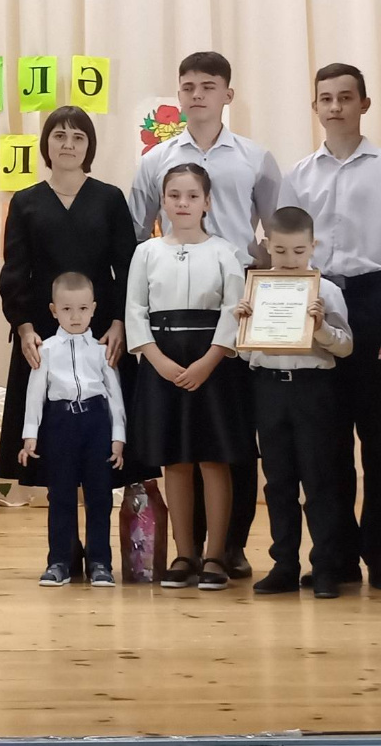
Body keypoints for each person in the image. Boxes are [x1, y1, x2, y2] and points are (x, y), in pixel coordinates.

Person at [129, 51, 281, 579]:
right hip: (170, 322)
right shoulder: (156, 160)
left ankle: (228, 547)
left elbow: (275, 233)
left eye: (208, 86)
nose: (197, 95)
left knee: (229, 441)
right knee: (178, 449)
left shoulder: (255, 158)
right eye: (188, 86)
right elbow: (137, 229)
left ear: (227, 94)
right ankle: (187, 548)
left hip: (234, 310)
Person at [279, 63, 381, 590]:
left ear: (364, 103)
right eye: (326, 98)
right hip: (318, 305)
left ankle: (379, 553)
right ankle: (333, 557)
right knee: (325, 442)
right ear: (314, 106)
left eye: (345, 97)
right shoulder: (298, 175)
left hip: (374, 301)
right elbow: (284, 252)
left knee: (380, 440)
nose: (335, 107)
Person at [0, 106, 139, 490]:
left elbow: (128, 268)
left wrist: (120, 323)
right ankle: (62, 526)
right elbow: (14, 272)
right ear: (46, 143)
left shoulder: (110, 199)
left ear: (89, 146)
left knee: (103, 438)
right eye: (60, 135)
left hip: (102, 331)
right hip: (43, 333)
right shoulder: (25, 202)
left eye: (78, 137)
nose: (68, 144)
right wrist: (24, 328)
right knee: (51, 446)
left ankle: (98, 527)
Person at [124, 163, 249, 591]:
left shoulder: (225, 252)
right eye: (174, 195)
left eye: (192, 196)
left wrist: (210, 360)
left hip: (211, 364)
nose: (183, 203)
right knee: (175, 460)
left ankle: (215, 554)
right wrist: (155, 359)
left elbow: (234, 310)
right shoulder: (146, 252)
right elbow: (135, 310)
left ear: (207, 202)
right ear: (162, 200)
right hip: (163, 363)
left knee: (214, 458)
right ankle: (185, 552)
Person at [235, 207, 355, 599]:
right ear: (267, 245)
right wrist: (242, 324)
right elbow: (244, 353)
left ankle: (326, 568)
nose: (290, 260)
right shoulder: (255, 289)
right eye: (281, 250)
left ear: (313, 246)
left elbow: (346, 346)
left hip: (313, 389)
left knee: (319, 480)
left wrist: (320, 328)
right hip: (269, 389)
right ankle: (284, 565)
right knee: (278, 482)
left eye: (299, 251)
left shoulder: (326, 290)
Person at [17, 272, 127, 588]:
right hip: (60, 424)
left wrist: (118, 436)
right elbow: (35, 393)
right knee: (61, 495)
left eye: (82, 309)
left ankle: (100, 563)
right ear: (54, 311)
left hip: (96, 423)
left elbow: (114, 395)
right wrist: (30, 435)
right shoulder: (47, 349)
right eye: (66, 309)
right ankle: (60, 562)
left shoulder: (101, 350)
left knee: (100, 496)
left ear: (93, 309)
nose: (75, 316)